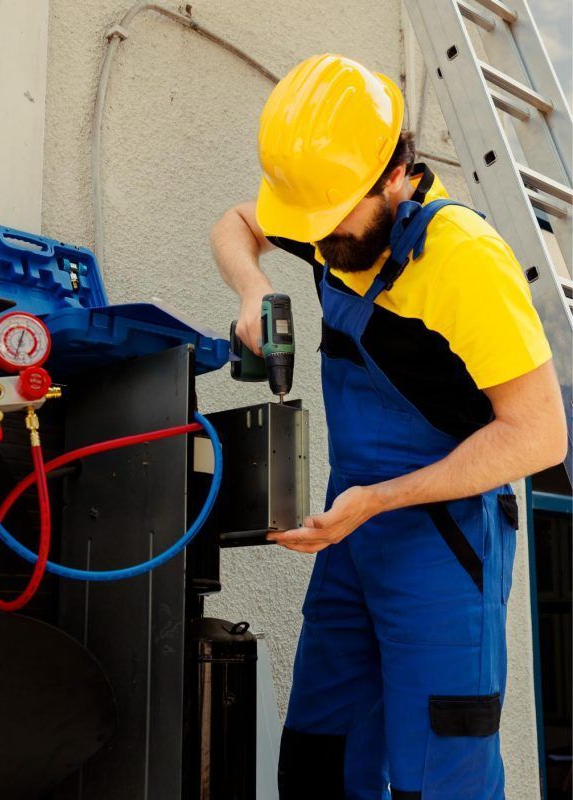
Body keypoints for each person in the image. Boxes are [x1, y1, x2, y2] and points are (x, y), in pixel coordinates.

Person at [210, 53, 567, 800]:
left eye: (336, 218)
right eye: (309, 225)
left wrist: (376, 501)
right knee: (319, 756)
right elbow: (239, 223)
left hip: (446, 540)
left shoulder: (463, 262)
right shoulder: (325, 218)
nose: (322, 240)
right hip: (353, 530)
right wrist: (254, 285)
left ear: (396, 174)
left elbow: (539, 438)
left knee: (436, 778)